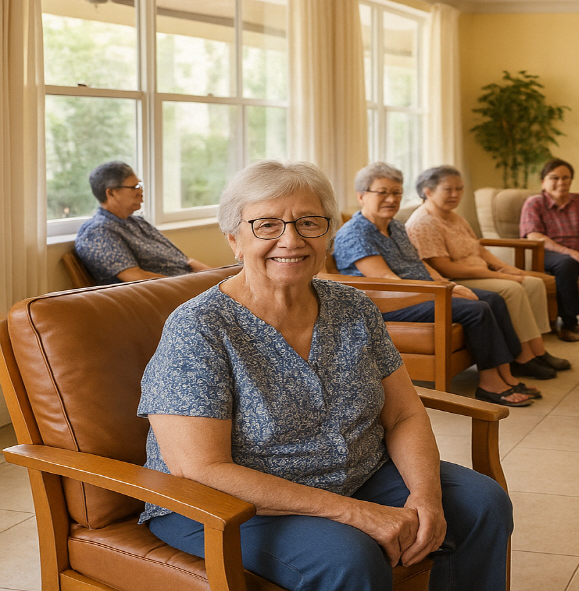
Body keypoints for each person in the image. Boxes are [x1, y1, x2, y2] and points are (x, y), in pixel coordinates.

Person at [137, 160, 512, 591]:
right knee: (349, 558)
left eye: (309, 223)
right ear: (234, 239)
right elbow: (201, 467)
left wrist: (426, 495)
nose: (291, 240)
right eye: (266, 225)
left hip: (355, 472)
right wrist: (354, 512)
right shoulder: (199, 327)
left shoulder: (353, 307)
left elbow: (404, 414)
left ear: (328, 233)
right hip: (227, 502)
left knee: (484, 505)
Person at [334, 161, 542, 406]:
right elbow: (389, 283)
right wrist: (443, 292)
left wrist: (447, 284)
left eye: (396, 192)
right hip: (388, 302)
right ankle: (489, 384)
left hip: (424, 293)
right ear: (361, 196)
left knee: (493, 298)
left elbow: (420, 265)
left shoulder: (395, 227)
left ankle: (506, 376)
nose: (391, 199)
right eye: (383, 192)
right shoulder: (354, 233)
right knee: (476, 310)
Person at [406, 165, 569, 380]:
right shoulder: (423, 222)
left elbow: (479, 249)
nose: (455, 194)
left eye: (459, 189)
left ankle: (538, 350)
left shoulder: (454, 216)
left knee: (532, 283)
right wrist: (502, 276)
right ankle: (523, 357)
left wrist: (508, 268)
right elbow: (444, 267)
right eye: (448, 189)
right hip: (456, 279)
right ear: (428, 191)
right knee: (511, 288)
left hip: (479, 272)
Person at [519, 158, 579, 341]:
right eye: (554, 178)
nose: (561, 182)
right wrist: (567, 251)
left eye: (566, 178)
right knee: (567, 264)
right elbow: (534, 236)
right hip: (548, 252)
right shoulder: (534, 203)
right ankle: (569, 321)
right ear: (543, 182)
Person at [74, 161, 212, 284]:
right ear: (111, 193)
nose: (141, 192)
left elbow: (185, 261)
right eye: (134, 187)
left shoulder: (137, 221)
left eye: (140, 185)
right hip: (166, 295)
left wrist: (218, 276)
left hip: (188, 284)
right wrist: (191, 285)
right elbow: (136, 277)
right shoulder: (98, 231)